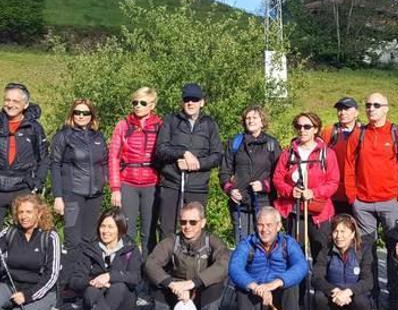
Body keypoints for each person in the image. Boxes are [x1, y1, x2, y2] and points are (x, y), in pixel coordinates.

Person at [344, 92, 398, 310]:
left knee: (395, 252)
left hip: (391, 202)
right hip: (363, 204)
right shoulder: (359, 134)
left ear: (386, 108)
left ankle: (395, 300)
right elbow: (349, 166)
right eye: (368, 105)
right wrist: (352, 197)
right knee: (367, 253)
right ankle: (370, 298)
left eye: (376, 105)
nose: (371, 108)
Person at [145, 201, 229, 310]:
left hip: (200, 291)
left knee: (217, 282)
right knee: (157, 283)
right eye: (183, 222)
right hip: (176, 291)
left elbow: (223, 265)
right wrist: (171, 284)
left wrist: (193, 283)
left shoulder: (213, 241)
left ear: (203, 223)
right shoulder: (172, 241)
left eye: (193, 222)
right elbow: (151, 264)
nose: (187, 226)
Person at [229, 206, 308, 310]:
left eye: (269, 225)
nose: (264, 229)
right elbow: (234, 268)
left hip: (279, 302)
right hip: (255, 300)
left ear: (278, 226)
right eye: (260, 225)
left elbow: (301, 266)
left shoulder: (288, 243)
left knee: (291, 285)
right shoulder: (247, 244)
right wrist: (254, 286)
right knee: (242, 287)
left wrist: (276, 283)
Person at [0, 83, 49, 240]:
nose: (10, 104)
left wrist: (38, 182)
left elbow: (45, 158)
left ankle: (19, 265)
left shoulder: (35, 128)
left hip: (23, 188)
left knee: (26, 237)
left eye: (16, 101)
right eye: (7, 100)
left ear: (25, 104)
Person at [67, 209, 141, 310]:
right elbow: (74, 281)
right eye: (103, 226)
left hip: (122, 303)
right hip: (94, 300)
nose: (105, 231)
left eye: (110, 227)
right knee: (91, 291)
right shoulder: (89, 249)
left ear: (120, 229)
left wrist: (110, 276)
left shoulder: (131, 248)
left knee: (118, 286)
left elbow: (136, 277)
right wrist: (92, 281)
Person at [155, 83, 222, 240]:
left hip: (197, 186)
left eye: (194, 99)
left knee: (194, 229)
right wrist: (183, 154)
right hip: (172, 183)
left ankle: (193, 263)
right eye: (187, 100)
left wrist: (198, 163)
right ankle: (168, 263)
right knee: (167, 229)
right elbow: (161, 149)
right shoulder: (171, 120)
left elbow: (217, 155)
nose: (190, 103)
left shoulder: (209, 124)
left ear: (202, 102)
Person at [273, 112, 339, 261]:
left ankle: (320, 284)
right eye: (299, 126)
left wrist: (314, 193)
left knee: (321, 254)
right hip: (294, 211)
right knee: (296, 254)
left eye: (307, 126)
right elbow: (277, 179)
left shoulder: (327, 154)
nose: (302, 130)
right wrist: (290, 191)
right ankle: (300, 284)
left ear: (316, 129)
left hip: (319, 212)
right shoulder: (288, 153)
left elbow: (333, 182)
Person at [108, 87, 162, 254]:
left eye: (143, 102)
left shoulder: (160, 126)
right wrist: (115, 188)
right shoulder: (123, 125)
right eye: (135, 102)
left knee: (149, 230)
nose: (138, 106)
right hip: (128, 182)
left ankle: (149, 270)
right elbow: (113, 157)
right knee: (127, 228)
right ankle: (127, 267)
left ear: (152, 105)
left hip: (152, 182)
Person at [50, 99, 108, 250]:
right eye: (77, 112)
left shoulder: (98, 137)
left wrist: (105, 180)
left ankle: (86, 271)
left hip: (95, 194)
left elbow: (105, 162)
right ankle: (71, 272)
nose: (81, 116)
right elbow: (55, 165)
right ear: (72, 114)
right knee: (73, 238)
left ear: (92, 115)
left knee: (90, 238)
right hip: (72, 194)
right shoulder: (63, 136)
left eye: (85, 113)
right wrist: (58, 197)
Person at [311, 214, 373, 310]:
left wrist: (348, 291)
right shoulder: (326, 250)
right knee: (319, 296)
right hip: (334, 302)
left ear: (352, 234)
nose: (338, 236)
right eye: (335, 231)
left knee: (362, 299)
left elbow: (368, 281)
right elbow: (316, 277)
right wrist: (334, 290)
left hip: (353, 302)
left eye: (343, 231)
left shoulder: (363, 251)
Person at [220, 106, 281, 243]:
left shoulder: (272, 144)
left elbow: (280, 175)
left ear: (262, 121)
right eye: (248, 118)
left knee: (265, 243)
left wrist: (265, 185)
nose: (251, 121)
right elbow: (224, 172)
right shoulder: (235, 143)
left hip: (264, 202)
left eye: (254, 118)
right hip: (239, 203)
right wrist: (230, 190)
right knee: (242, 245)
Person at [320, 97, 362, 215]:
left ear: (356, 113)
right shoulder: (329, 132)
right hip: (334, 192)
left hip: (358, 192)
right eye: (339, 109)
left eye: (347, 109)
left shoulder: (364, 132)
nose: (342, 112)